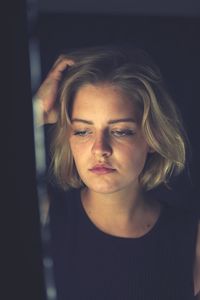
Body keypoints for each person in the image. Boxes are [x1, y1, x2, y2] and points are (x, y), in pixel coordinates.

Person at [35, 45, 200, 300]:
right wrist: (34, 112)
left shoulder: (192, 239)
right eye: (82, 131)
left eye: (121, 131)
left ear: (152, 138)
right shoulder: (41, 218)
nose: (100, 149)